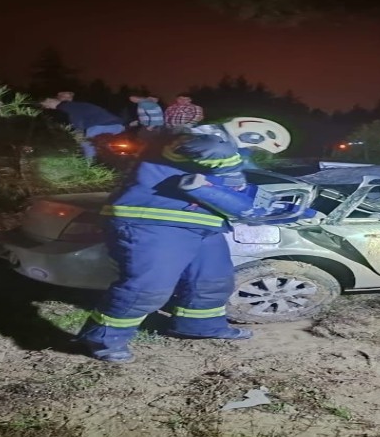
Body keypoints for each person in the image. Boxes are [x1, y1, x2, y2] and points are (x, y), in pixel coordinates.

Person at [76, 117, 314, 363]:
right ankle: (103, 339)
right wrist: (231, 170)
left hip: (201, 226)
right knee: (148, 288)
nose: (250, 153)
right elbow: (209, 148)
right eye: (253, 147)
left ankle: (200, 327)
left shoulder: (213, 150)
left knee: (211, 281)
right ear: (250, 134)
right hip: (154, 224)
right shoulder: (188, 139)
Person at [40, 98, 125, 161]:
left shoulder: (67, 106)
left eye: (46, 105)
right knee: (102, 146)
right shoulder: (73, 105)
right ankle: (111, 162)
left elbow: (77, 122)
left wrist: (78, 135)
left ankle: (89, 166)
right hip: (117, 125)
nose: (48, 108)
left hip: (103, 124)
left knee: (86, 143)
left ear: (49, 100)